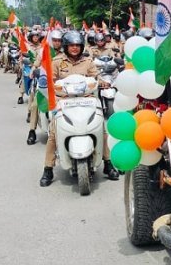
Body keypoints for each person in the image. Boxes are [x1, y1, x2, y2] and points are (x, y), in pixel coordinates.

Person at [40, 31, 119, 187]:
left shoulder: (88, 61)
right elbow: (51, 80)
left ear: (82, 46)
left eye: (77, 45)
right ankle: (48, 168)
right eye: (71, 45)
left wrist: (103, 82)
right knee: (53, 132)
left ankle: (108, 164)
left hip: (86, 100)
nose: (75, 48)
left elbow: (95, 76)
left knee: (101, 127)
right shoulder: (56, 62)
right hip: (64, 100)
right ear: (65, 46)